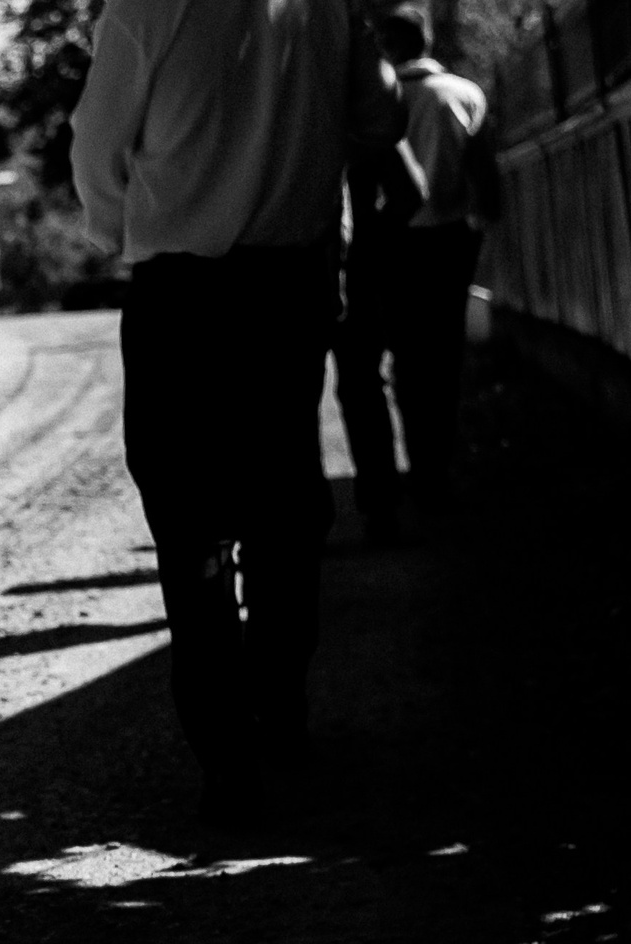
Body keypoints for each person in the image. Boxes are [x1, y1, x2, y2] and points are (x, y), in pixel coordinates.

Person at [69, 0, 401, 823]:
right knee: (286, 504)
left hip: (182, 291)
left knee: (190, 527)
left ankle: (225, 757)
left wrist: (129, 230)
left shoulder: (147, 7)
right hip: (291, 285)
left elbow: (96, 145)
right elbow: (380, 115)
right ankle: (280, 705)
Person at [335, 3, 500, 537]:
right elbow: (483, 175)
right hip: (447, 240)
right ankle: (433, 476)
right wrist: (487, 225)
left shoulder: (364, 98)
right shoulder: (464, 94)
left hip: (377, 240)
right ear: (426, 39)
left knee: (372, 364)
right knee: (436, 361)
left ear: (386, 43)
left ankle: (381, 495)